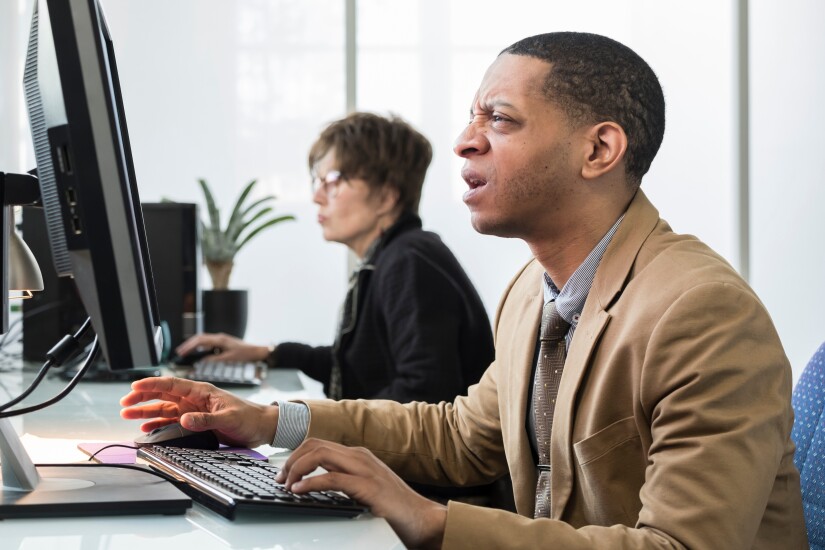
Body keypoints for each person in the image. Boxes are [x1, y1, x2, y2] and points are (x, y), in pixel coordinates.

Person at [121, 32, 807, 549]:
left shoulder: (699, 311)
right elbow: (458, 433)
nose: (462, 142)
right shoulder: (530, 292)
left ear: (598, 151)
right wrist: (269, 424)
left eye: (498, 121)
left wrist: (431, 521)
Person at [177, 112, 494, 405]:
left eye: (332, 181)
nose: (316, 196)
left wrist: (309, 424)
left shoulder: (408, 262)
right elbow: (356, 367)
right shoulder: (392, 257)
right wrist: (267, 353)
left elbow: (423, 395)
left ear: (386, 196)